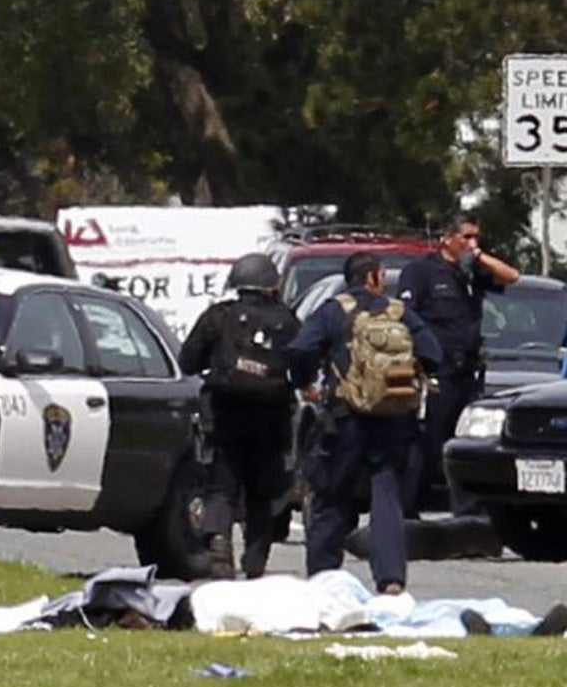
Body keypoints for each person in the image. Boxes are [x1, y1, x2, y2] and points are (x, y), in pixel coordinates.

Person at [288, 252, 441, 595]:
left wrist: (305, 383)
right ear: (374, 277)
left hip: (345, 420)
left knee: (332, 495)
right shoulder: (400, 313)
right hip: (393, 421)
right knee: (386, 497)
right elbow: (433, 354)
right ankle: (390, 579)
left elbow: (300, 349)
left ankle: (323, 578)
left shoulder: (332, 311)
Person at [178, 252, 300, 580]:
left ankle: (219, 542)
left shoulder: (219, 317)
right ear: (272, 285)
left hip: (224, 414)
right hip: (270, 420)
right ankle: (256, 560)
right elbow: (302, 366)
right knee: (262, 491)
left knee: (221, 487)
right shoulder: (286, 320)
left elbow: (187, 361)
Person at [397, 214, 519, 516]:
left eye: (476, 236)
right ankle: (407, 511)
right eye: (466, 237)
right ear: (446, 238)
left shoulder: (472, 273)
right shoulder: (421, 272)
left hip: (468, 372)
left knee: (467, 442)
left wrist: (477, 256)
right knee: (428, 443)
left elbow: (512, 276)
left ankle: (467, 517)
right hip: (438, 372)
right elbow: (406, 317)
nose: (472, 243)